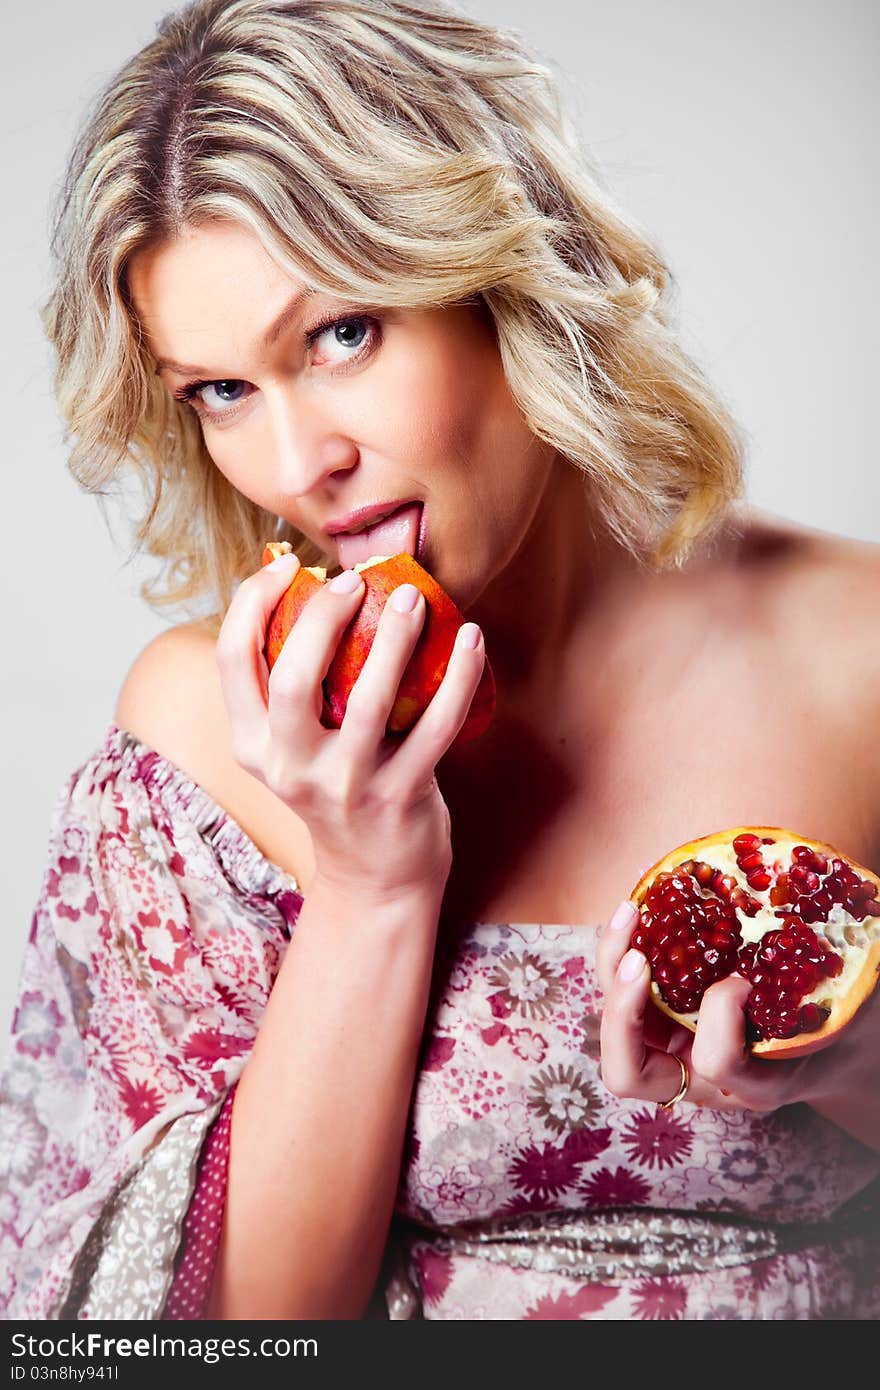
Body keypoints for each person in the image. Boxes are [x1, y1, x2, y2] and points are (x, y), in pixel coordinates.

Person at [2, 0, 879, 1322]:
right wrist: (368, 881)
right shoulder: (206, 734)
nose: (299, 466)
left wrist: (857, 1062)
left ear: (507, 281)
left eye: (341, 333)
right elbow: (250, 1340)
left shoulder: (855, 649)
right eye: (221, 391)